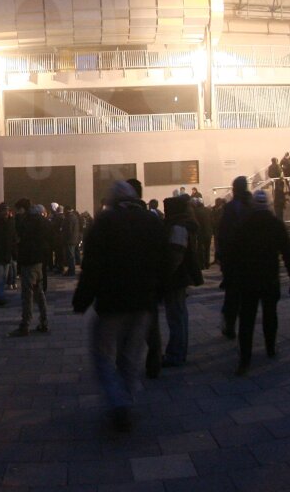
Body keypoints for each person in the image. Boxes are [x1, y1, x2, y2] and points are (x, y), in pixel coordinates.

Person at [73, 181, 171, 432]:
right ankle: (126, 400)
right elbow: (165, 262)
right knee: (130, 357)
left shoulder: (105, 223)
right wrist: (159, 294)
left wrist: (82, 300)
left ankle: (118, 402)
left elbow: (92, 266)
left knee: (103, 355)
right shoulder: (151, 222)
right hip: (143, 302)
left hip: (111, 302)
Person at [225, 190, 290, 375]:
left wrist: (230, 279)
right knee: (270, 314)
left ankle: (245, 359)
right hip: (269, 278)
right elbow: (288, 252)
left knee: (247, 319)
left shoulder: (244, 224)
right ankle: (270, 347)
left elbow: (232, 254)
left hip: (248, 279)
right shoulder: (275, 224)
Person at [160, 195, 203, 368]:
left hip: (176, 278)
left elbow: (174, 257)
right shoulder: (184, 225)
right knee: (180, 314)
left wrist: (165, 276)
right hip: (181, 276)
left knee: (175, 316)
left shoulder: (177, 228)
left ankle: (175, 354)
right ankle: (180, 351)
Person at [217, 176, 252, 339]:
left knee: (232, 295)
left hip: (234, 258)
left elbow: (223, 233)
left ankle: (230, 325)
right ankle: (245, 327)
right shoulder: (253, 206)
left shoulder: (231, 208)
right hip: (250, 258)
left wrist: (222, 256)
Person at [10, 202, 51, 337]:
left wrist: (19, 218)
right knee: (39, 292)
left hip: (29, 260)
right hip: (39, 260)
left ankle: (25, 325)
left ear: (23, 209)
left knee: (27, 294)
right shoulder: (42, 221)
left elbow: (22, 234)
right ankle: (44, 321)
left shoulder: (28, 222)